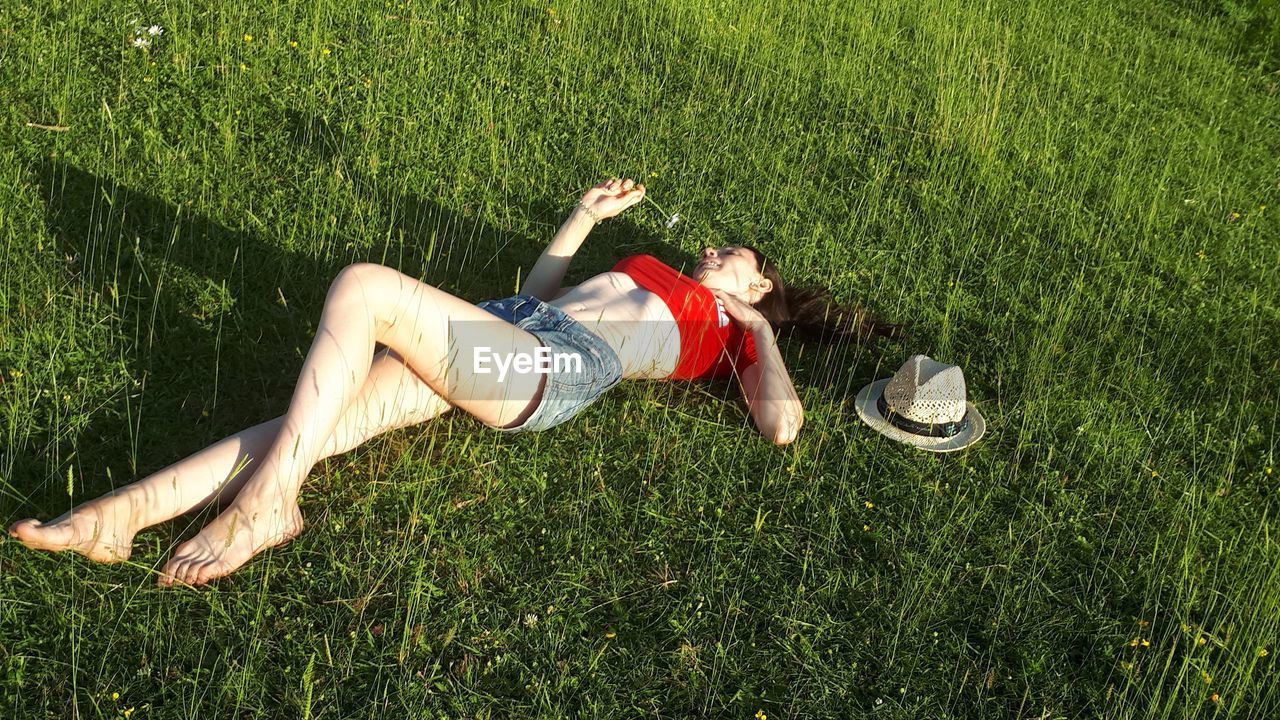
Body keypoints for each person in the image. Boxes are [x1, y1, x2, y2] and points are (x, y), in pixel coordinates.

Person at [8, 177, 897, 586]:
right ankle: (120, 515)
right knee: (318, 423)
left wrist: (755, 333)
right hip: (515, 327)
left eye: (734, 254)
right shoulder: (655, 268)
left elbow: (782, 427)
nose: (715, 247)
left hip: (556, 370)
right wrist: (580, 219)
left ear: (759, 283)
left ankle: (270, 507)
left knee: (364, 288)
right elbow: (536, 293)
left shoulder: (731, 335)